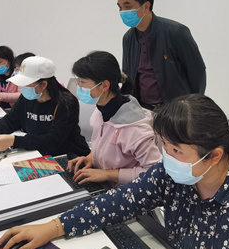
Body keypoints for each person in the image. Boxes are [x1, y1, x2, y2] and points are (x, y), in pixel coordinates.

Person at [0, 94, 229, 249]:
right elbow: (121, 200)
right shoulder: (175, 175)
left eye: (176, 150)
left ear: (215, 155)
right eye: (164, 146)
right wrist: (54, 227)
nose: (166, 157)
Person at [67, 51, 162, 186]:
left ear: (105, 85)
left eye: (83, 83)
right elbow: (106, 145)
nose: (79, 87)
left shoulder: (135, 128)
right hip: (104, 183)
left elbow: (155, 172)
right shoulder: (101, 110)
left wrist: (107, 174)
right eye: (78, 82)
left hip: (126, 190)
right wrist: (91, 158)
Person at [117, 0, 206, 110]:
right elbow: (129, 78)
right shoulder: (128, 38)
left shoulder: (176, 32)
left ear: (146, 6)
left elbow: (197, 73)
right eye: (120, 7)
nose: (122, 12)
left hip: (175, 111)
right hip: (143, 111)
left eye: (127, 6)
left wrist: (193, 107)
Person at [0, 56, 90, 157]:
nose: (23, 88)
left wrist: (14, 141)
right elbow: (11, 120)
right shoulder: (28, 97)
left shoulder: (67, 102)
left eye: (26, 84)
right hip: (38, 152)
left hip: (68, 156)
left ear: (44, 84)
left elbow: (53, 140)